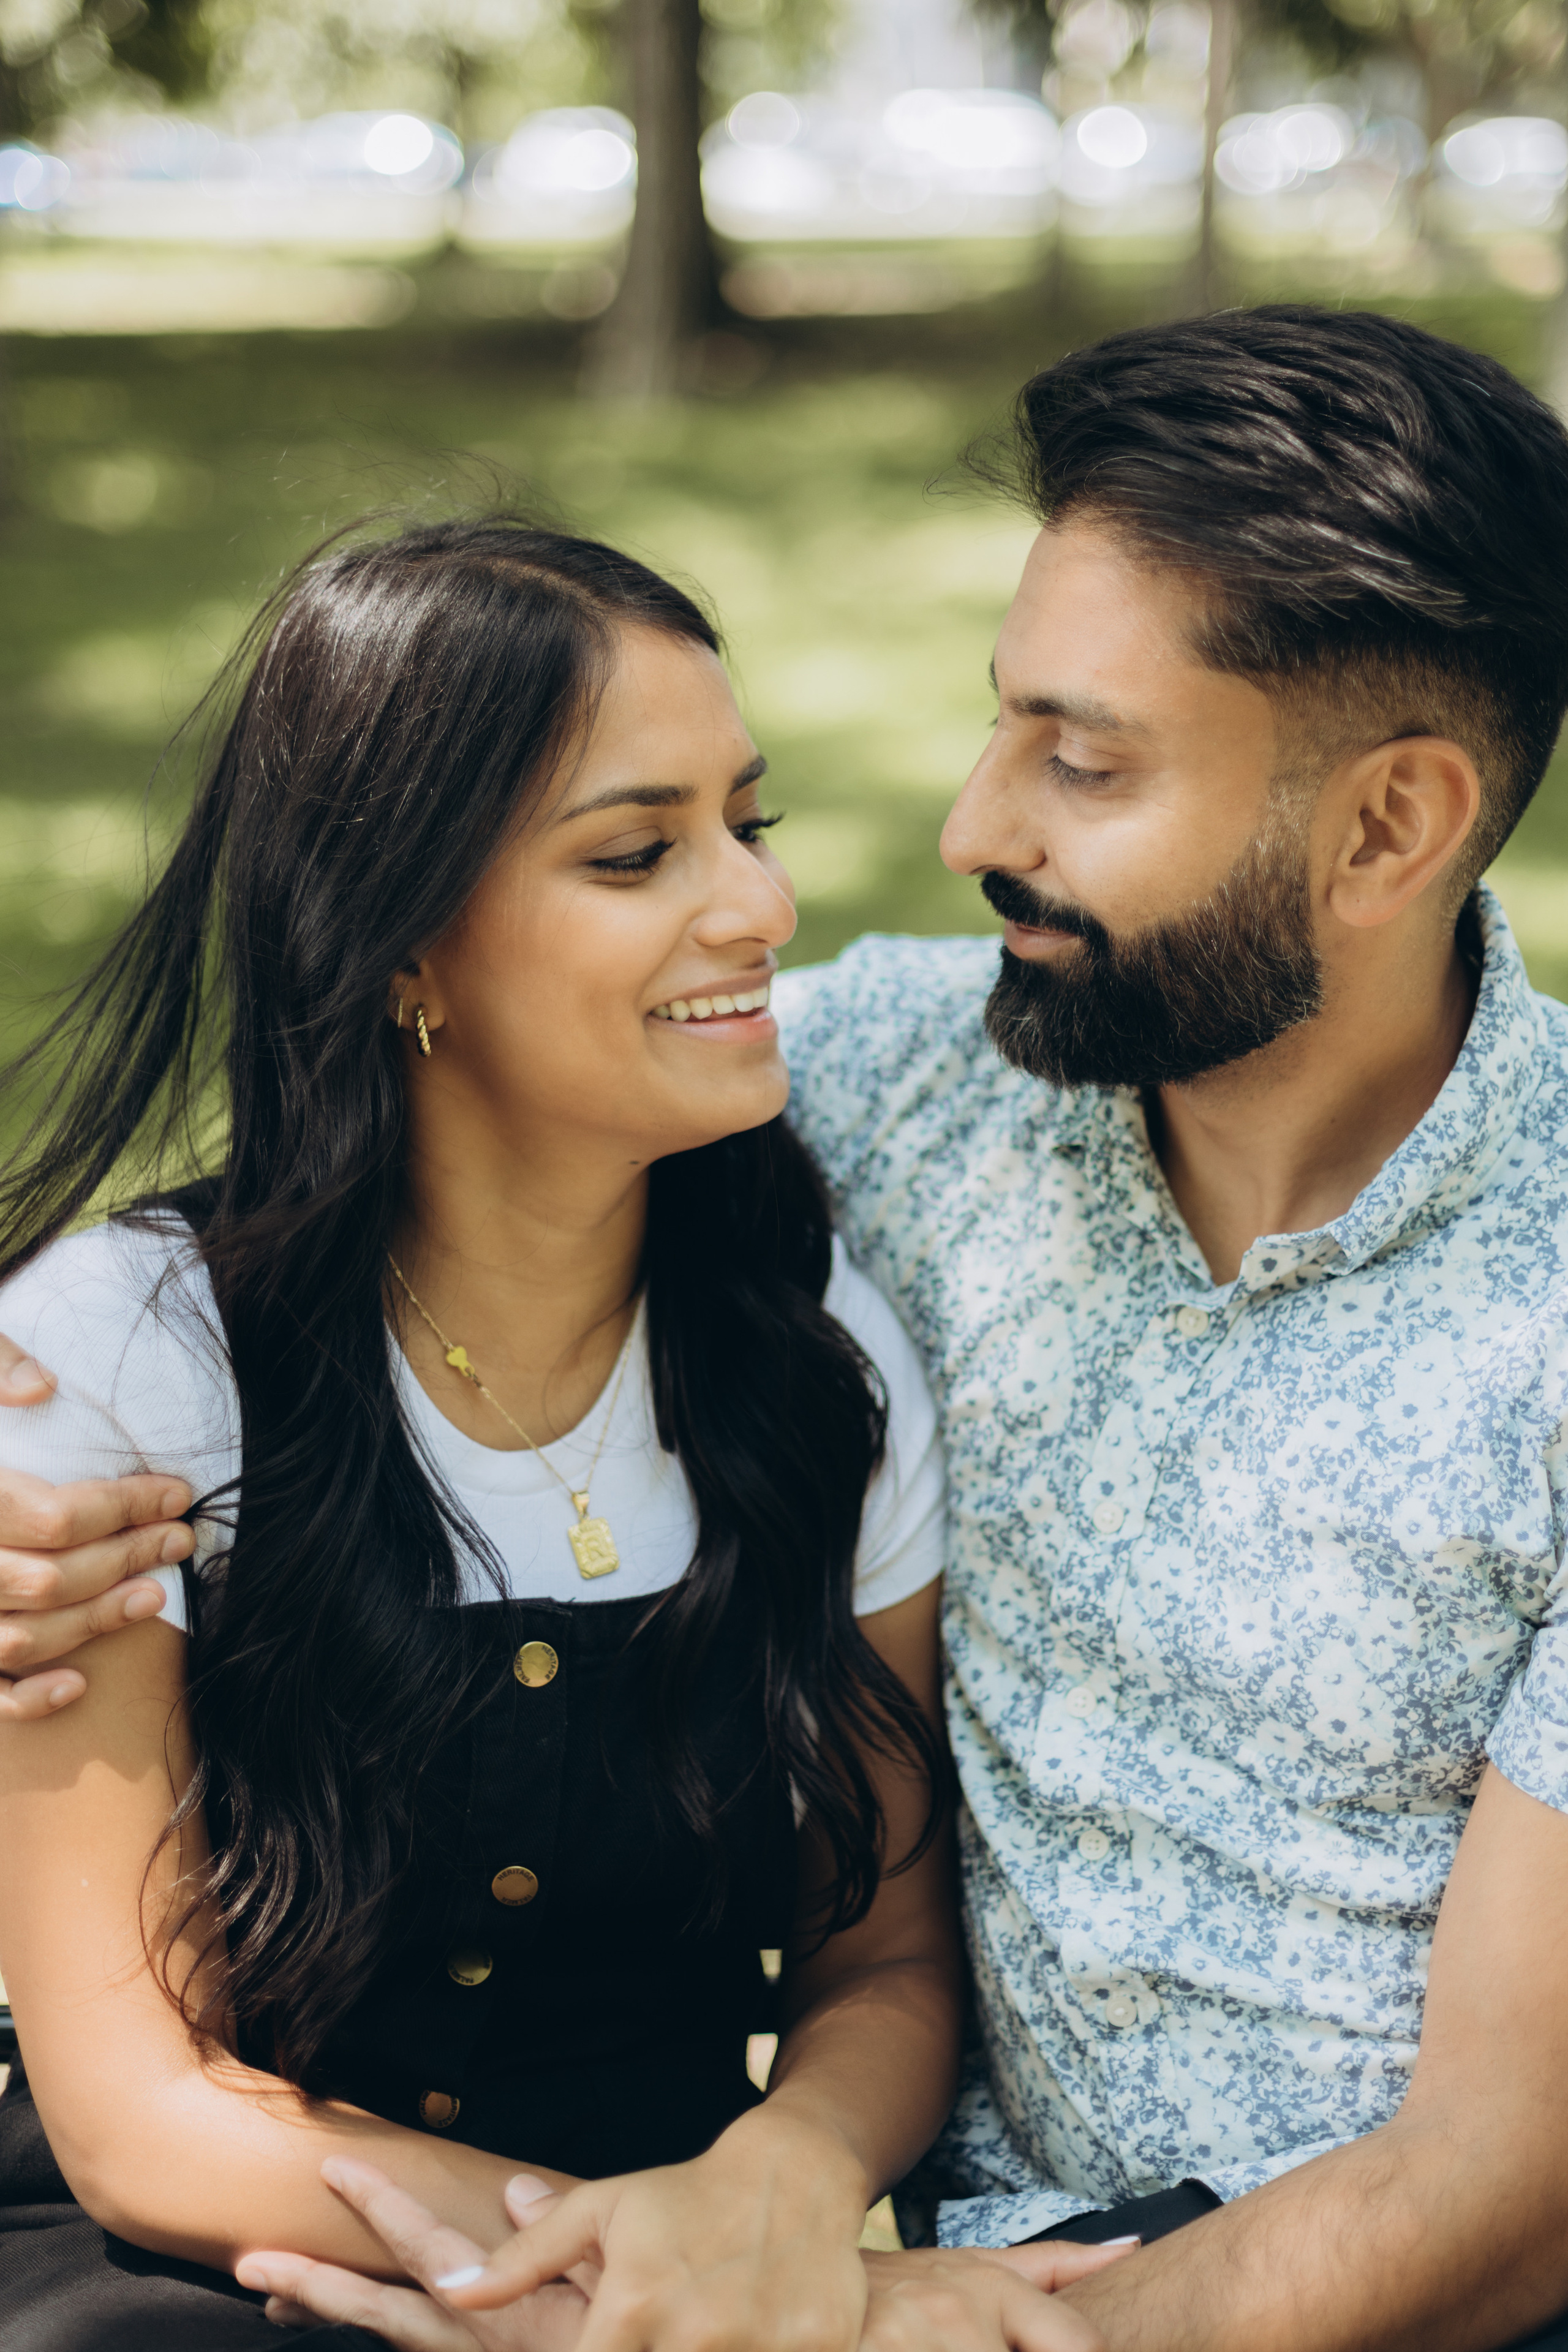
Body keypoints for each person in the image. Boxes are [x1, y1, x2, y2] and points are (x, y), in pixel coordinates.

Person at [8, 300, 1568, 2352]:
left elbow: (1509, 2176)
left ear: (1390, 825)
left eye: (1080, 762)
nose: (970, 830)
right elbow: (441, 1113)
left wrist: (861, 2322)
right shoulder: (914, 1084)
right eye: (1007, 718)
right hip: (853, 2257)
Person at [0, 514, 1123, 2352]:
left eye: (744, 825)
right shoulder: (131, 1368)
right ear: (399, 953)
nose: (759, 905)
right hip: (223, 2260)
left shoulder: (808, 1358)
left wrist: (773, 2199)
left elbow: (892, 1967)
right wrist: (629, 2285)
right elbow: (146, 2119)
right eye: (635, 853)